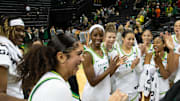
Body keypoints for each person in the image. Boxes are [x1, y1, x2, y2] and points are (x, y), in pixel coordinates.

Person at [17, 34, 84, 101]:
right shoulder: (56, 87)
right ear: (61, 57)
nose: (82, 59)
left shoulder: (53, 81)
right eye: (78, 54)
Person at [82, 24, 125, 101]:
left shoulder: (103, 50)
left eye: (101, 35)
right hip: (92, 96)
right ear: (90, 36)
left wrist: (116, 66)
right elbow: (92, 82)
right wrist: (110, 68)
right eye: (95, 35)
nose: (98, 38)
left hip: (104, 94)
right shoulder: (87, 54)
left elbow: (107, 75)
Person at [139, 35, 173, 101]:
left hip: (164, 91)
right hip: (151, 91)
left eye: (157, 42)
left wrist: (160, 64)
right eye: (154, 42)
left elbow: (165, 76)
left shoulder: (169, 57)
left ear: (164, 45)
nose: (155, 44)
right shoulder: (149, 55)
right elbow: (145, 77)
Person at [0, 16, 26, 101]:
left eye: (23, 31)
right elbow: (1, 95)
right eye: (18, 30)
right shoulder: (3, 50)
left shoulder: (16, 50)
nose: (22, 34)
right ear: (7, 30)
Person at [112, 30, 143, 101]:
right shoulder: (116, 52)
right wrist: (131, 67)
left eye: (133, 39)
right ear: (123, 38)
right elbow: (116, 73)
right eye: (129, 39)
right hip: (121, 88)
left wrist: (137, 65)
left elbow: (140, 70)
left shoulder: (136, 50)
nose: (131, 41)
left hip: (133, 87)